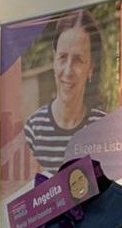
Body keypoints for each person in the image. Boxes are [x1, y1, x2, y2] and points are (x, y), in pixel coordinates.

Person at [23, 9, 109, 172]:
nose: (68, 71)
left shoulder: (105, 129)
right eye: (62, 57)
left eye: (78, 60)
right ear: (54, 60)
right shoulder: (33, 130)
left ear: (91, 68)